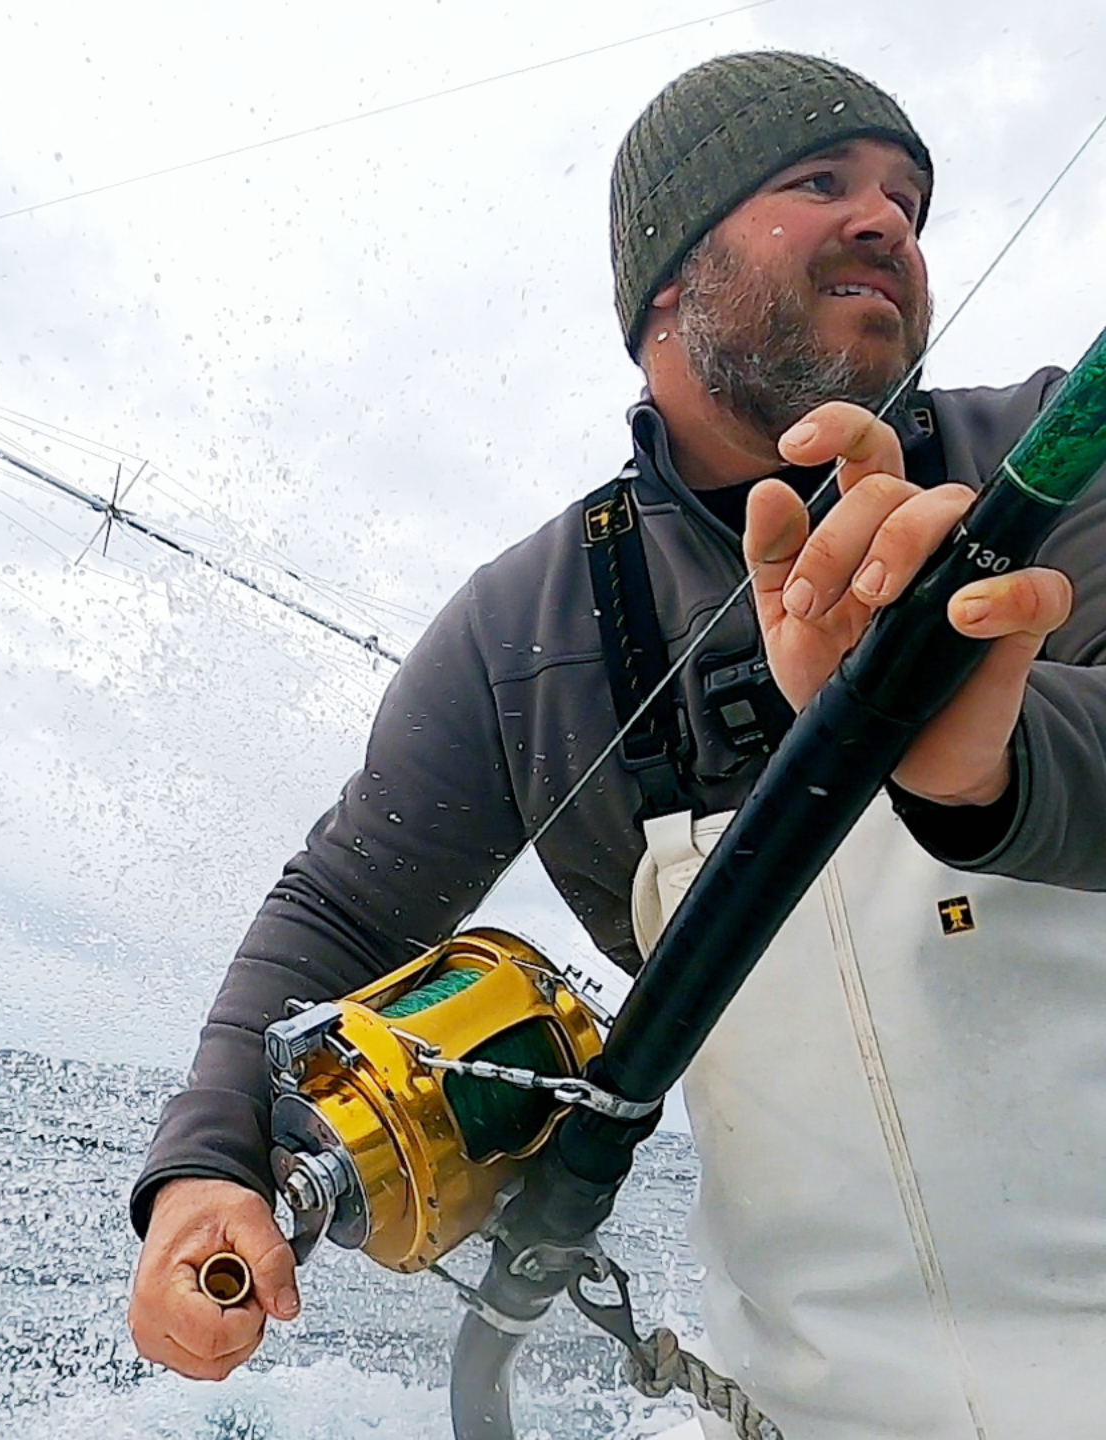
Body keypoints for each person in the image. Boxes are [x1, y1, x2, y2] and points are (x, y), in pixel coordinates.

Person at [128, 51, 1106, 1440]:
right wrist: (208, 1164)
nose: (886, 220)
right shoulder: (523, 627)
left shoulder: (1065, 461)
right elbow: (343, 907)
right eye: (821, 180)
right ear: (664, 285)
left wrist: (983, 757)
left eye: (907, 198)